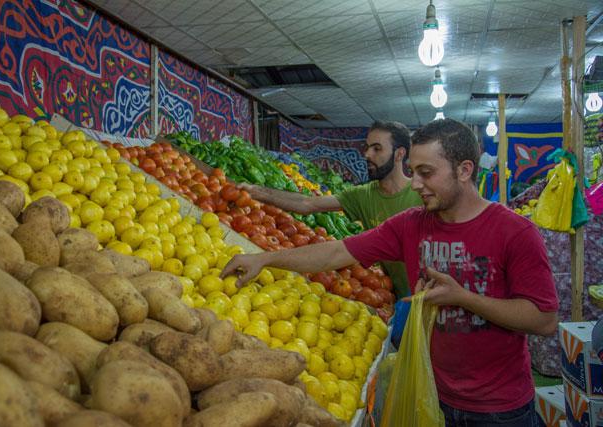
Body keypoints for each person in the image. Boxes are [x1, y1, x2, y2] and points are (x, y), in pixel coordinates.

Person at [222, 118, 559, 426]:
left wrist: (464, 298)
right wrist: (266, 259)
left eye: (426, 173)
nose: (416, 184)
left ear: (465, 170)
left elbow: (544, 320)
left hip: (499, 409)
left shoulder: (515, 232)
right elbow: (337, 252)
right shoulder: (410, 225)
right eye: (413, 172)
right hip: (429, 396)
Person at [238, 121, 422, 299]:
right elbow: (308, 204)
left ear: (399, 154)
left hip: (430, 294)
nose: (367, 154)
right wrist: (259, 193)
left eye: (377, 148)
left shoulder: (422, 195)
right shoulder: (364, 195)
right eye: (366, 148)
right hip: (401, 298)